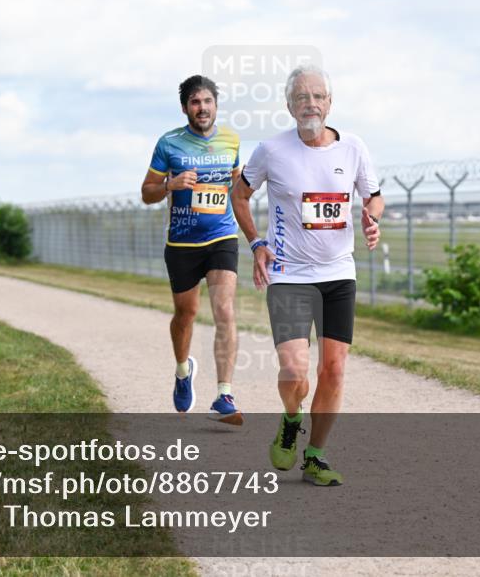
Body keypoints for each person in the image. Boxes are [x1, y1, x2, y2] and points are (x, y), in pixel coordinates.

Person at [230, 65, 384, 486]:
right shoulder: (271, 150)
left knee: (333, 370)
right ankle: (290, 418)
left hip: (338, 273)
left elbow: (374, 197)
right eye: (302, 97)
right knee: (295, 373)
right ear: (289, 105)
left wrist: (371, 218)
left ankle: (315, 455)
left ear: (330, 103)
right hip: (288, 274)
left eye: (318, 96)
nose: (310, 104)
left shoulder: (353, 148)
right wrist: (256, 242)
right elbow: (239, 194)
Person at [140, 75, 243, 424]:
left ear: (216, 104)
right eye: (195, 102)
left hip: (221, 237)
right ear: (185, 107)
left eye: (208, 101)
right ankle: (183, 371)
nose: (202, 108)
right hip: (182, 243)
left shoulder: (231, 140)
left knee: (224, 309)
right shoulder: (168, 143)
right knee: (185, 315)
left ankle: (224, 393)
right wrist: (170, 184)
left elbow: (238, 183)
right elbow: (146, 192)